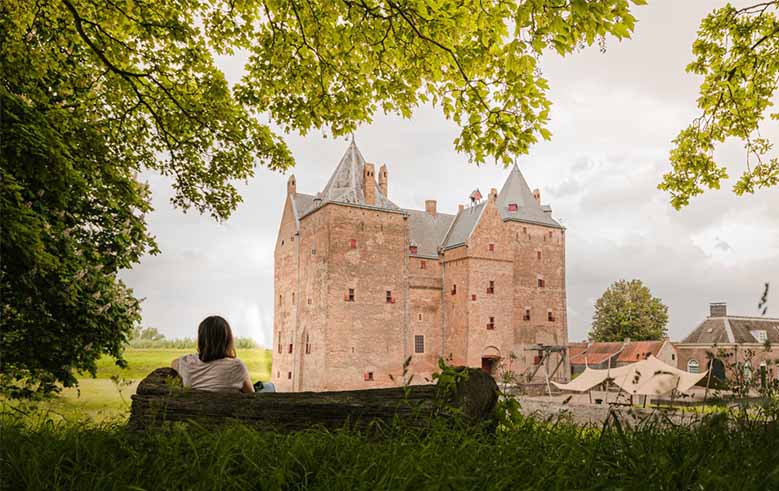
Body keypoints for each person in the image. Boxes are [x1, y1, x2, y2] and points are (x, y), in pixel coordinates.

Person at [171, 315, 254, 393]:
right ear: (227, 339)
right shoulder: (236, 366)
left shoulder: (180, 363)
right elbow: (252, 396)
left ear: (201, 338)